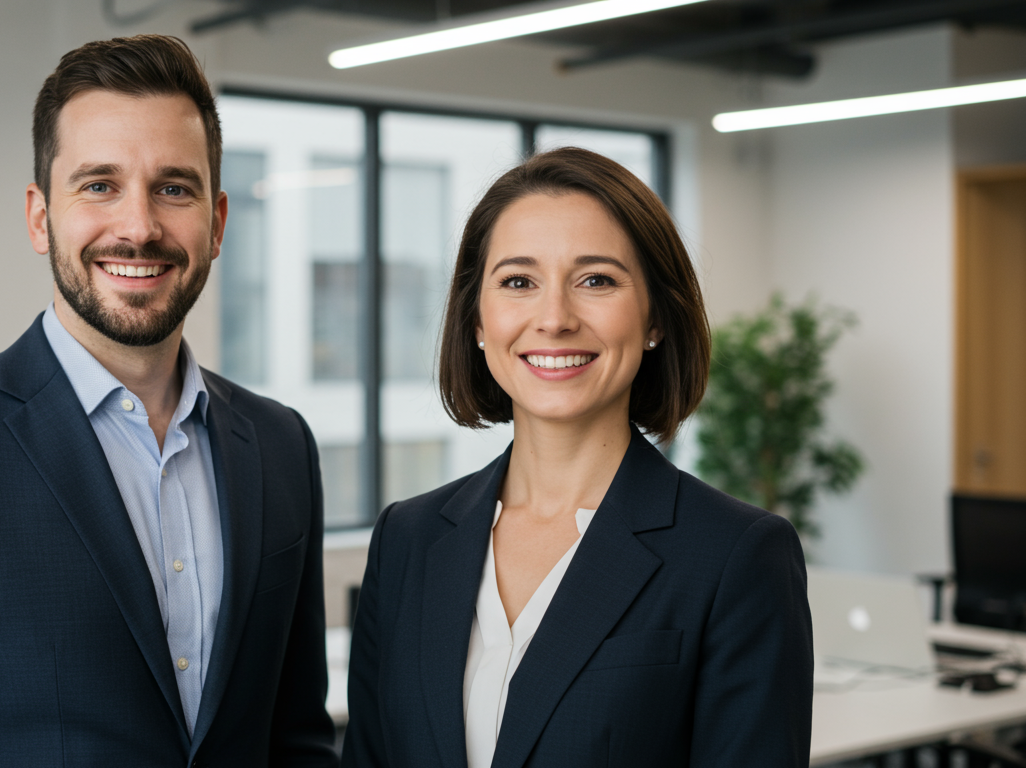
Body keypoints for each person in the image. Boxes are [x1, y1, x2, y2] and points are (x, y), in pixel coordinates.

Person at [0, 35, 337, 767]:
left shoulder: (280, 446)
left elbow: (296, 739)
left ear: (216, 223)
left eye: (174, 188)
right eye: (99, 185)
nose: (139, 227)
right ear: (40, 216)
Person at [340, 147, 813, 768]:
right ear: (478, 320)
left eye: (597, 280)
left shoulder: (735, 556)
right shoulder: (408, 538)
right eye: (518, 282)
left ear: (654, 319)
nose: (555, 318)